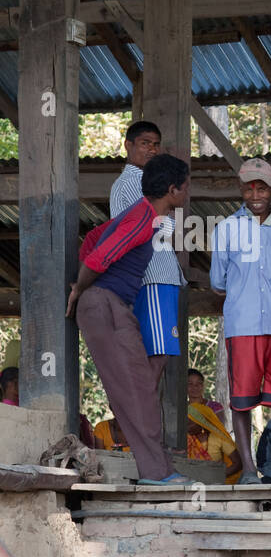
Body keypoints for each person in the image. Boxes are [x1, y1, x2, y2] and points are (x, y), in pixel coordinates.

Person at [66, 154, 191, 485]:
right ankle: (158, 473)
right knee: (137, 390)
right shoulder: (142, 218)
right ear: (172, 190)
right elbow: (98, 256)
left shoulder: (142, 216)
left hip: (112, 305)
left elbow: (95, 238)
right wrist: (80, 290)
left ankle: (159, 469)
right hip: (104, 304)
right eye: (185, 186)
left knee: (137, 389)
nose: (187, 193)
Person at [210, 157, 271, 485]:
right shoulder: (226, 230)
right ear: (241, 189)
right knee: (242, 400)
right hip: (244, 326)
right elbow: (217, 283)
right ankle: (249, 470)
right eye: (249, 188)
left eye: (261, 187)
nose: (255, 194)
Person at [110, 119, 182, 393]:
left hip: (163, 275)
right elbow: (143, 230)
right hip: (151, 275)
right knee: (155, 355)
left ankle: (140, 419)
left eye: (155, 145)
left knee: (157, 354)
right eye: (144, 144)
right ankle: (139, 419)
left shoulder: (148, 184)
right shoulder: (129, 184)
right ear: (128, 145)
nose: (151, 150)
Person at [186, 401, 242, 484]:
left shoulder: (218, 438)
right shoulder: (186, 439)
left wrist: (215, 476)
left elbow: (238, 463)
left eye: (189, 424)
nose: (186, 427)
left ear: (201, 423)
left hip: (216, 485)